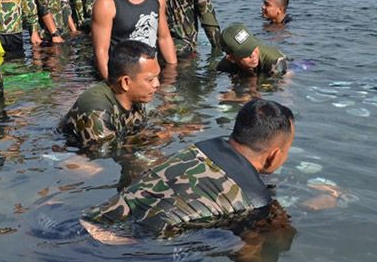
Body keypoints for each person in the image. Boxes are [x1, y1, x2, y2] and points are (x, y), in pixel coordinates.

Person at [81, 98, 295, 238]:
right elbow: (251, 253)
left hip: (88, 221)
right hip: (124, 249)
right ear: (274, 155)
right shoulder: (256, 200)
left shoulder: (200, 149)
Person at [59, 40, 159, 149]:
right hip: (67, 151)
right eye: (150, 80)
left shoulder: (135, 96)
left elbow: (137, 129)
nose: (157, 84)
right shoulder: (96, 111)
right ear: (126, 82)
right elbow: (104, 154)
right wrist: (156, 139)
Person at [217, 23, 287, 77]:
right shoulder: (224, 65)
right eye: (246, 53)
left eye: (253, 46)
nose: (253, 54)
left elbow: (284, 88)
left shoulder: (275, 60)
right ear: (231, 58)